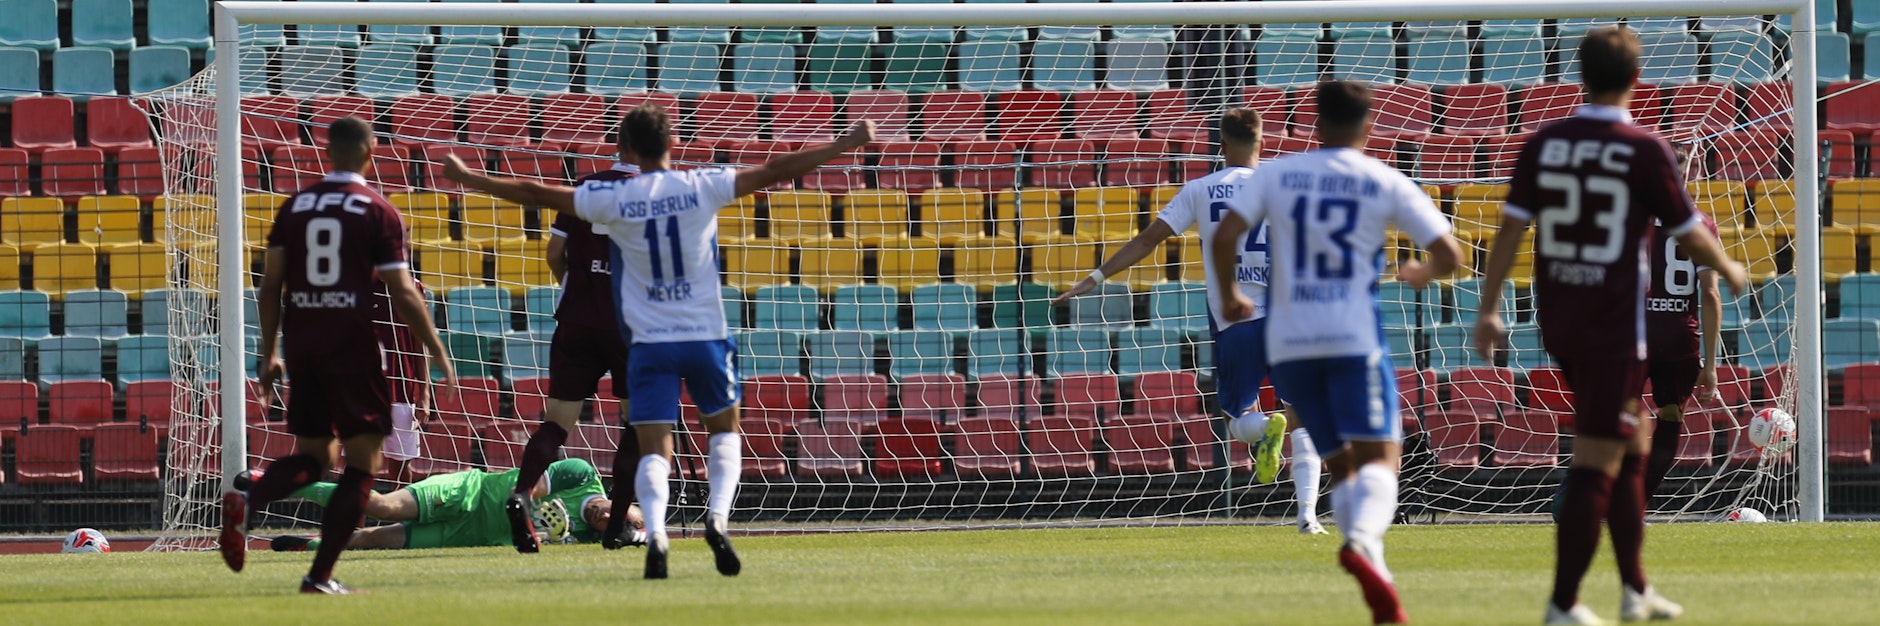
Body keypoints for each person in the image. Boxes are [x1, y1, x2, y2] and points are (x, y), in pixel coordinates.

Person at [439, 105, 877, 579]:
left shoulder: (609, 196)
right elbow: (777, 169)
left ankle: (629, 527)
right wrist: (842, 146)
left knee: (629, 437)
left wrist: (470, 178)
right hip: (695, 332)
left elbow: (535, 193)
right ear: (673, 142)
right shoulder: (699, 185)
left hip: (634, 336)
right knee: (715, 432)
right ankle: (703, 520)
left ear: (624, 145)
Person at [1472, 27, 1747, 625]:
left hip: (1561, 318)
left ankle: (1635, 588)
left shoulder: (1545, 142)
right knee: (1600, 457)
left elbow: (1511, 231)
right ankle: (1563, 603)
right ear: (1635, 78)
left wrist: (1490, 307)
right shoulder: (1642, 147)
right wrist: (1726, 263)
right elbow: (1689, 229)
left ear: (1582, 74)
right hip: (1614, 327)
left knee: (1633, 440)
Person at [1212, 80, 1463, 625]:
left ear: (1314, 127)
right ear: (1369, 129)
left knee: (1342, 464)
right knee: (1382, 459)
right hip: (1351, 337)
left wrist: (1231, 293)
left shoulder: (1276, 175)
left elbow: (1224, 235)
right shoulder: (1382, 178)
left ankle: (1370, 564)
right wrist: (1421, 271)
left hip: (1287, 340)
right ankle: (1364, 544)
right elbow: (1449, 253)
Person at [224, 115, 457, 594]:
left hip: (303, 341)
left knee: (315, 455)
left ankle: (250, 503)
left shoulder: (295, 207)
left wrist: (269, 353)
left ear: (327, 153)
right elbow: (404, 291)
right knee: (361, 465)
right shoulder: (379, 210)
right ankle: (319, 577)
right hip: (352, 343)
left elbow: (270, 288)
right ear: (370, 151)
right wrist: (435, 348)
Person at [1049, 108, 1308, 531]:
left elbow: (1149, 239)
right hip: (1288, 319)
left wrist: (1094, 278)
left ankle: (1262, 429)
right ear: (1264, 144)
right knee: (1303, 415)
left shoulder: (1200, 189)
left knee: (1236, 419)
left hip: (1234, 318)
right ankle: (1307, 515)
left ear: (1221, 146)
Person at [503, 139, 644, 554]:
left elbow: (554, 253)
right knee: (634, 427)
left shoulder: (585, 188)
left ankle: (523, 493)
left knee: (557, 422)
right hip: (632, 325)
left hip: (578, 320)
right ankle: (617, 524)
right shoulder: (662, 191)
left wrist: (578, 285)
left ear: (618, 146)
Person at [263, 458, 643, 551]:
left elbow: (633, 538)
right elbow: (525, 488)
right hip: (469, 492)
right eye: (610, 512)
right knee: (381, 505)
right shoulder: (580, 474)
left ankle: (307, 546)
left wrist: (551, 535)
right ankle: (287, 485)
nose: (600, 516)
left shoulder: (591, 539)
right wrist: (537, 514)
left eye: (603, 525)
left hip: (471, 534)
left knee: (370, 539)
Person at [1640, 178, 1724, 500]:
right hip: (1679, 338)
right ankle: (1637, 502)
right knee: (1671, 415)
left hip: (1635, 335)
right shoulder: (1701, 224)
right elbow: (1711, 293)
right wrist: (1712, 365)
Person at [369, 276, 432, 485]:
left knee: (402, 463)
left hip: (402, 389)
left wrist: (425, 393)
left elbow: (421, 341)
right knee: (358, 462)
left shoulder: (411, 287)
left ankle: (403, 513)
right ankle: (356, 514)